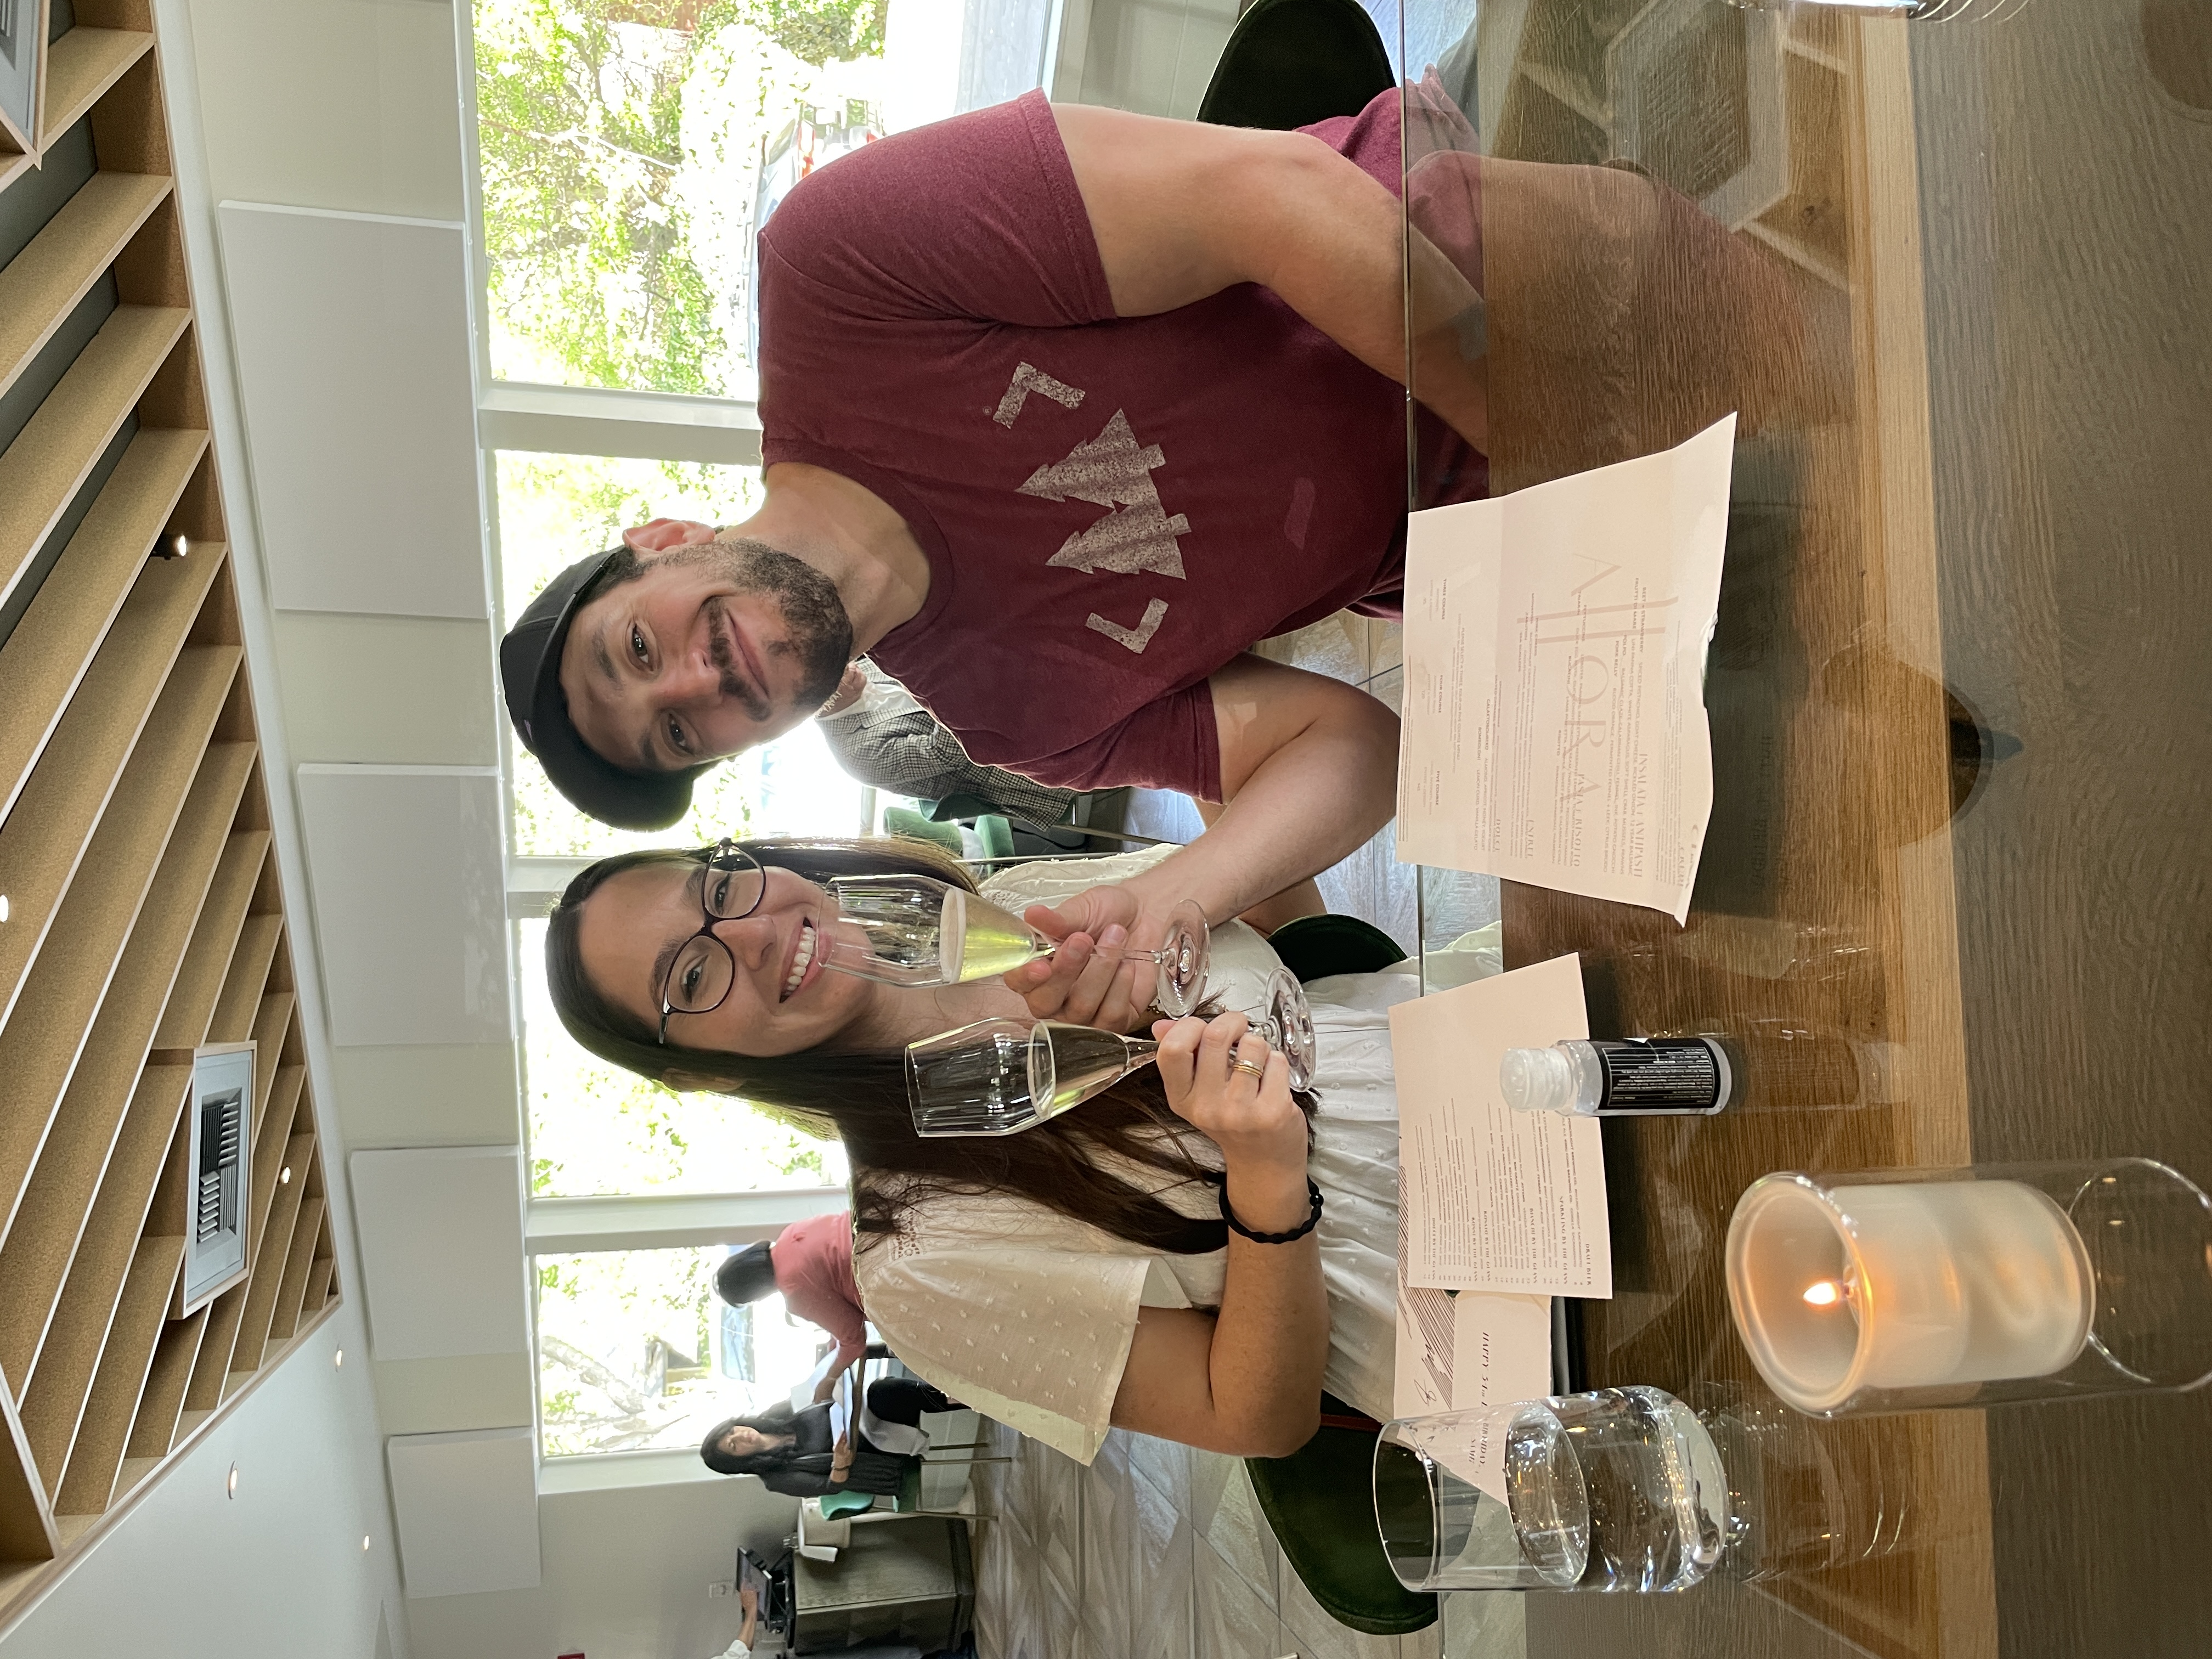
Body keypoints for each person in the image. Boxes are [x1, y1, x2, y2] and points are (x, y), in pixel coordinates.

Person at [497, 82, 1797, 1010]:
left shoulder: (836, 281)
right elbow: (1354, 749)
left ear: (662, 541)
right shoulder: (1017, 721)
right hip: (1527, 551)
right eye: (676, 734)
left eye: (636, 648)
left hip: (1514, 294)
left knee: (1879, 405)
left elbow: (1274, 197)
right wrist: (1185, 889)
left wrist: (1550, 463)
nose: (691, 683)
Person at [544, 836, 1500, 1461]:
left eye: (720, 885)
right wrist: (1263, 1174)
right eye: (697, 971)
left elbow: (1288, 936)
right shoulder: (921, 1259)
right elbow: (1254, 1415)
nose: (754, 929)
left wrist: (1215, 868)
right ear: (704, 1073)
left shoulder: (1026, 905)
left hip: (1488, 1037)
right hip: (1470, 1274)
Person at [701, 1374, 955, 1495]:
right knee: (885, 1394)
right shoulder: (776, 1478)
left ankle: (961, 1398)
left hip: (864, 1419)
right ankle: (963, 1399)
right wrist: (840, 1464)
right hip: (869, 1456)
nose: (742, 1436)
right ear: (737, 1461)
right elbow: (830, 1487)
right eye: (734, 1446)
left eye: (733, 1431)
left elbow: (814, 1396)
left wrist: (827, 1381)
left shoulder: (773, 1416)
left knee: (884, 1391)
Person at [716, 1211, 871, 1404]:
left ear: (755, 1293)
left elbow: (855, 1342)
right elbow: (834, 1266)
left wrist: (829, 1380)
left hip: (885, 1279)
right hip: (880, 1233)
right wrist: (836, 1335)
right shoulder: (790, 1233)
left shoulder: (795, 1293)